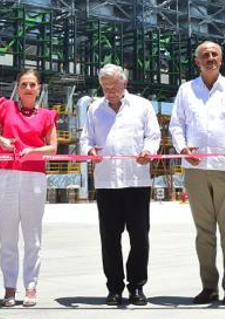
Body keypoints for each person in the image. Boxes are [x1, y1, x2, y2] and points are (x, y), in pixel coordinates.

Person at [169, 40, 225, 305]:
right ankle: (209, 286)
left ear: (221, 59)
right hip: (196, 169)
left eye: (214, 54)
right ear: (197, 61)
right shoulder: (186, 90)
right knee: (203, 231)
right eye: (204, 55)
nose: (210, 58)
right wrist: (183, 148)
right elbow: (176, 124)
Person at [80, 64, 161, 306]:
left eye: (114, 86)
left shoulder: (142, 106)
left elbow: (153, 135)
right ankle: (114, 288)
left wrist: (149, 151)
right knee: (110, 239)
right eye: (106, 88)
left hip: (136, 180)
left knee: (139, 237)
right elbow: (86, 138)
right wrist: (89, 150)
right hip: (106, 183)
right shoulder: (95, 109)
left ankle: (136, 286)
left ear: (124, 83)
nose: (110, 92)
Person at [0, 68, 58, 307]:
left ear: (39, 88)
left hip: (33, 177)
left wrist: (34, 150)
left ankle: (31, 286)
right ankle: (9, 287)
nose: (28, 88)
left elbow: (53, 148)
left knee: (32, 236)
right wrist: (1, 140)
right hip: (5, 174)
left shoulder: (47, 115)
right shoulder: (5, 108)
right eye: (24, 84)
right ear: (17, 86)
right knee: (7, 236)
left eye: (32, 84)